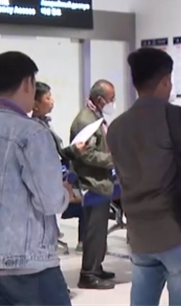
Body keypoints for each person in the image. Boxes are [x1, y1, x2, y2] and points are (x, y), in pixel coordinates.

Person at [0, 51, 72, 306]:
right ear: (28, 83)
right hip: (28, 261)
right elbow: (50, 201)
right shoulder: (31, 133)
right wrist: (66, 193)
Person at [107, 47, 181, 306]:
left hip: (139, 234)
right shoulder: (179, 118)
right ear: (166, 80)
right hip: (177, 232)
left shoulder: (117, 127)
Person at [67, 79, 117, 289]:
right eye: (111, 99)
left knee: (100, 230)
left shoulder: (95, 117)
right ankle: (88, 274)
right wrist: (114, 159)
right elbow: (86, 153)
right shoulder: (85, 120)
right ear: (99, 99)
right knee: (93, 231)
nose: (113, 102)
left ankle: (96, 266)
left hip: (101, 181)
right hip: (91, 183)